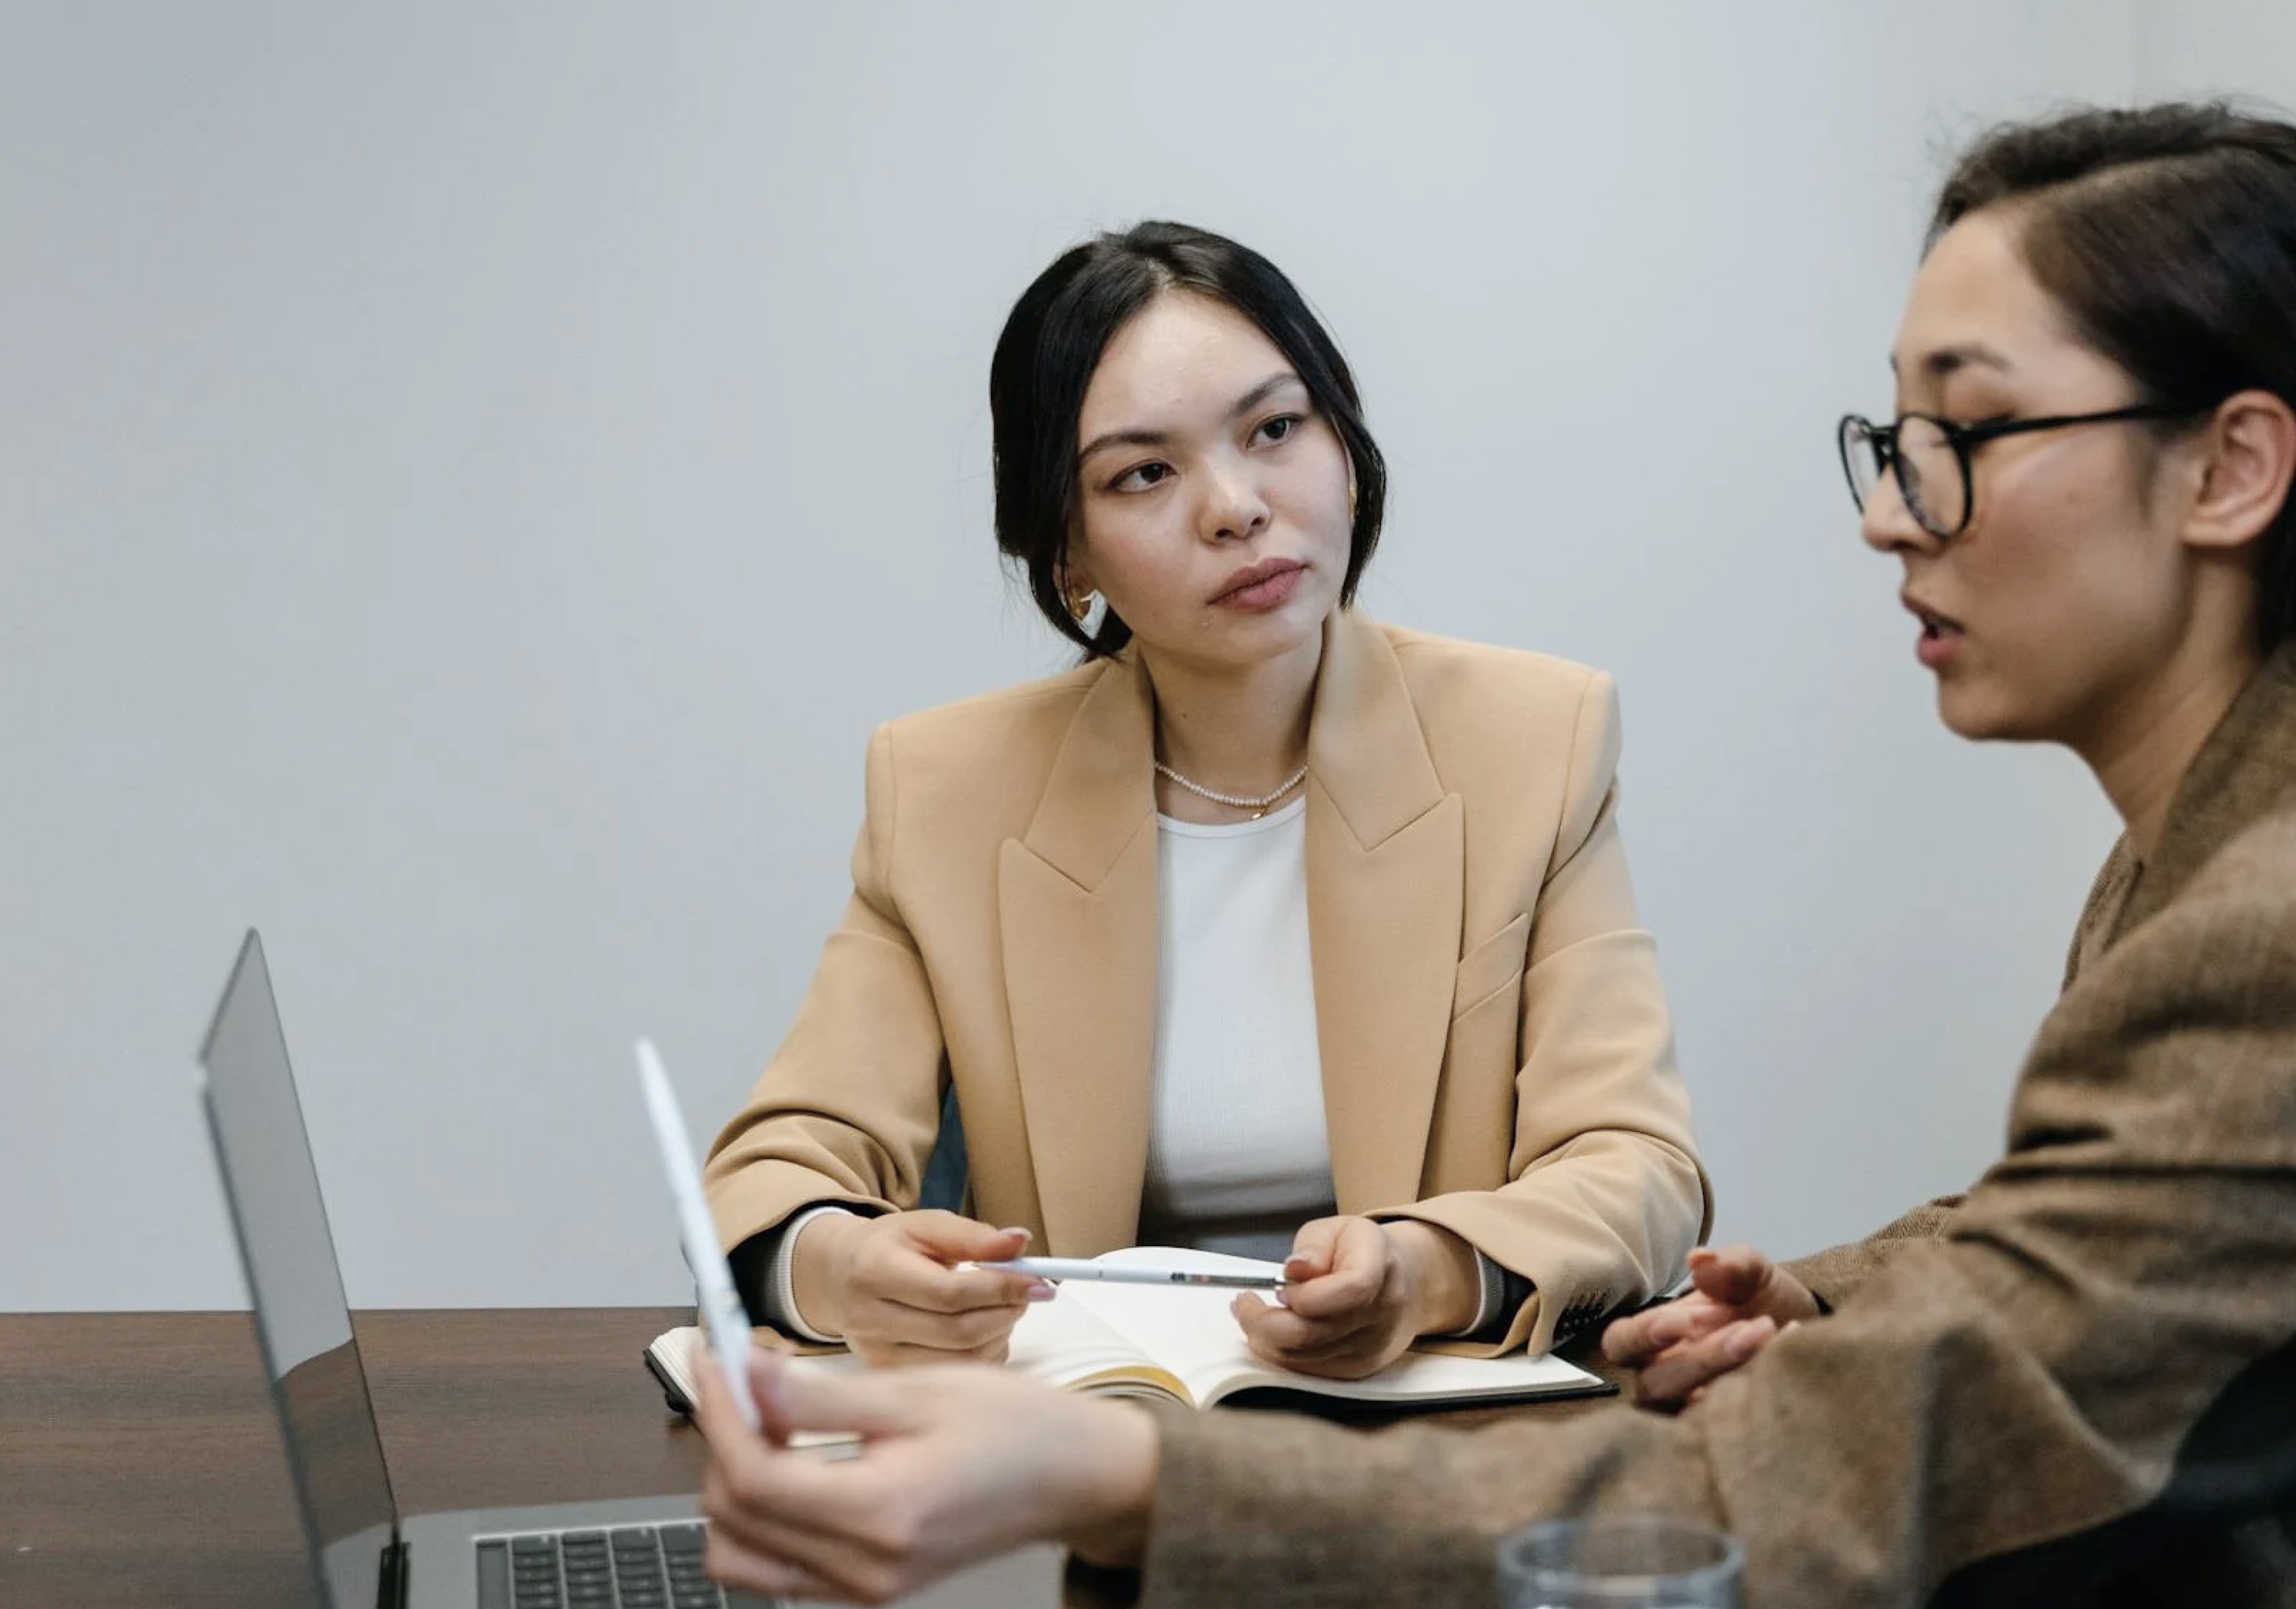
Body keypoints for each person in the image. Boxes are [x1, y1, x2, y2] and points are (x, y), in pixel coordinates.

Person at [683, 105, 2296, 1607]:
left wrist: (1122, 1468)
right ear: (1065, 548)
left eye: (1962, 437)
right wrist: (1828, 1298)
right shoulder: (2287, 825)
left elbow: (1792, 1442)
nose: (1888, 509)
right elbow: (2062, 1252)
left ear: (2231, 472)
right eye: (1150, 473)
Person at [701, 222, 1709, 1383]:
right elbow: (779, 1165)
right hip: (1088, 1452)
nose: (1236, 506)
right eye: (1144, 472)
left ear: (1345, 441)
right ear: (1067, 552)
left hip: (1427, 1437)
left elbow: (1637, 1167)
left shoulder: (1537, 740)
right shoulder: (945, 792)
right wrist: (835, 1265)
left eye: (1276, 429)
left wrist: (1430, 1269)